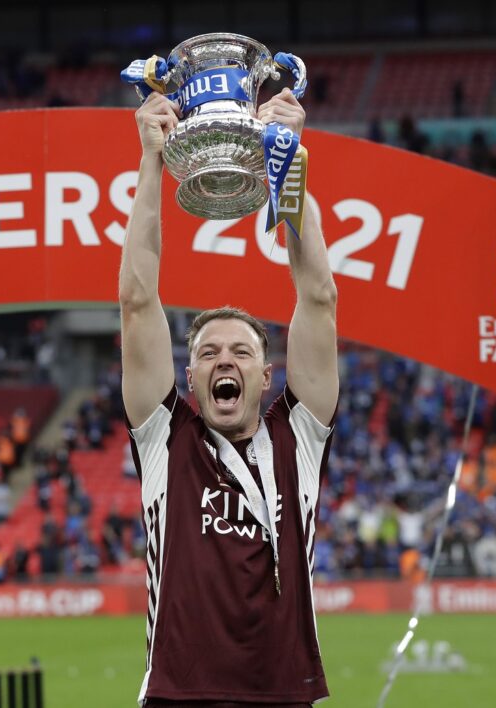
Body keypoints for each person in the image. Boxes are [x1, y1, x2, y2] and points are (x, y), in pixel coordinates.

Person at [120, 88, 339, 706]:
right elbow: (138, 304)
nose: (224, 361)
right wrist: (150, 160)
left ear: (267, 376)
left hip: (285, 696)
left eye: (242, 352)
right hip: (177, 697)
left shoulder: (300, 438)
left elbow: (318, 297)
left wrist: (290, 162)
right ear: (188, 379)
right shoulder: (167, 440)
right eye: (208, 354)